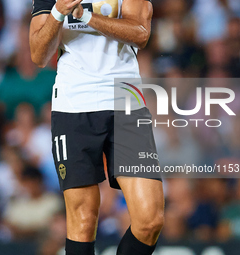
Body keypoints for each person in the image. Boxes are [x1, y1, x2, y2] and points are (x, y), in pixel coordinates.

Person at [29, 0, 164, 254]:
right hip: (73, 106)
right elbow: (38, 55)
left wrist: (85, 16)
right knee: (83, 219)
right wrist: (59, 11)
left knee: (150, 220)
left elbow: (140, 33)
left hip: (126, 104)